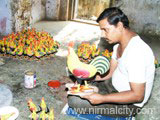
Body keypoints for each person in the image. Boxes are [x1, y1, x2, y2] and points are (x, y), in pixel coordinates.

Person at [68, 7, 155, 117]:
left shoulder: (137, 52)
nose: (103, 35)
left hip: (128, 104)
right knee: (80, 83)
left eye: (106, 30)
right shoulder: (119, 46)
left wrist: (102, 99)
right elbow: (109, 73)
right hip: (112, 86)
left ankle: (99, 93)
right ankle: (96, 89)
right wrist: (87, 78)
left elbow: (138, 96)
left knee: (74, 101)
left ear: (119, 26)